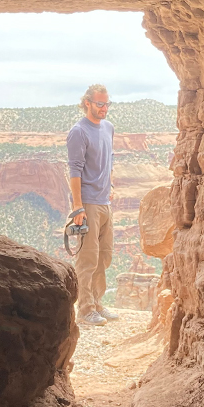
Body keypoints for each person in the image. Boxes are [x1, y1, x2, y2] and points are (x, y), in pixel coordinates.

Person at [67, 84, 121, 326]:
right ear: (87, 102)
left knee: (104, 257)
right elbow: (75, 170)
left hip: (104, 201)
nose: (104, 108)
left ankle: (97, 302)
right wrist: (78, 207)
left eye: (107, 103)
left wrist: (110, 187)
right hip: (88, 203)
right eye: (100, 104)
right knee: (88, 258)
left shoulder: (108, 128)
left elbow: (107, 161)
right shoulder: (78, 132)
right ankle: (86, 308)